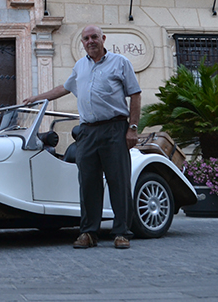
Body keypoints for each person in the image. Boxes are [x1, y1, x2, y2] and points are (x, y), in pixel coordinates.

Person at [23, 25, 141, 249]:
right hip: (87, 131)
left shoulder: (120, 63)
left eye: (94, 37)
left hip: (115, 129)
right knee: (87, 183)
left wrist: (132, 128)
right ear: (83, 43)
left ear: (103, 38)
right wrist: (38, 98)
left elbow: (135, 94)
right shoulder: (80, 66)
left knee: (119, 181)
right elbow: (64, 88)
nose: (90, 41)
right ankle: (88, 233)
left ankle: (122, 232)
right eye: (86, 38)